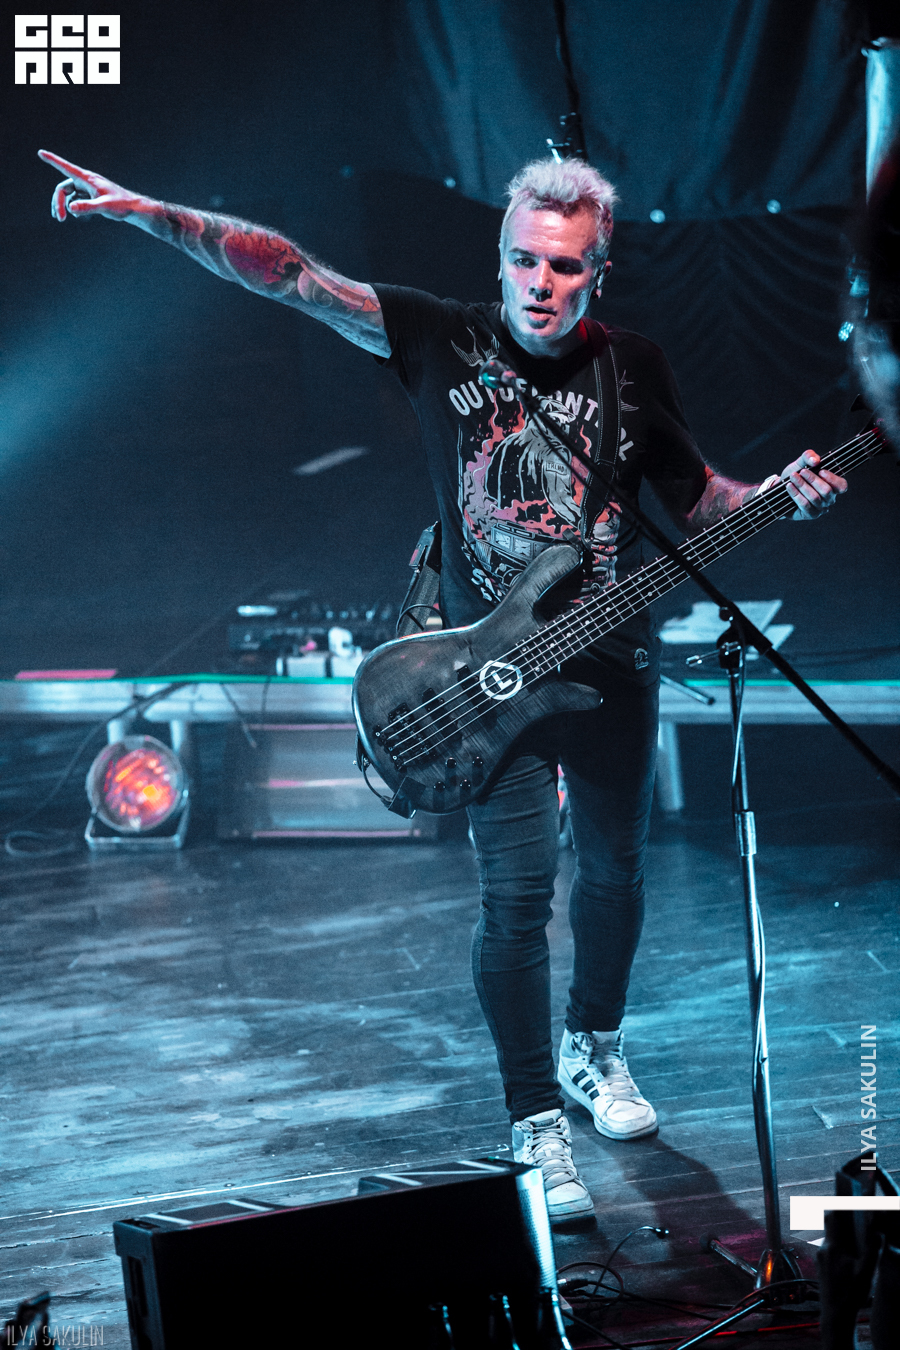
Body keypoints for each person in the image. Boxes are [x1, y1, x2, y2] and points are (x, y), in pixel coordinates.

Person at [39, 150, 847, 1218]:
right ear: (500, 257)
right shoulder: (438, 335)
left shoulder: (634, 366)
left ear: (598, 271)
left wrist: (780, 493)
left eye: (565, 267)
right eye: (524, 261)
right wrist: (149, 213)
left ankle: (593, 1048)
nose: (541, 285)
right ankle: (534, 1118)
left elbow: (697, 500)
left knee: (614, 877)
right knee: (517, 899)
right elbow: (289, 276)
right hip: (490, 676)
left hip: (611, 664)